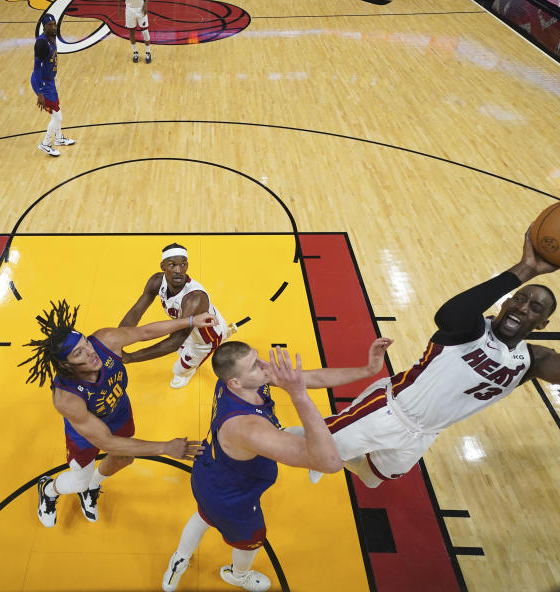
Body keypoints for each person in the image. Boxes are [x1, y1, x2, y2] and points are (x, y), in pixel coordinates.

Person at [304, 231, 560, 488]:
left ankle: (344, 453)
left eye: (534, 309)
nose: (521, 307)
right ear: (506, 301)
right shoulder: (470, 327)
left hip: (424, 434)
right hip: (388, 410)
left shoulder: (530, 358)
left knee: (372, 479)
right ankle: (257, 441)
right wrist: (525, 269)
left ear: (541, 324)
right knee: (309, 452)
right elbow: (447, 315)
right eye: (519, 299)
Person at [161, 339, 392, 592]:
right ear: (235, 382)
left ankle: (179, 559)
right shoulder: (247, 428)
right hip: (231, 497)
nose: (264, 365)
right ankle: (237, 576)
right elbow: (329, 462)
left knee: (203, 515)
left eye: (258, 358)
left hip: (208, 472)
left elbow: (312, 377)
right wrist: (298, 395)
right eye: (254, 366)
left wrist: (368, 370)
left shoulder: (239, 382)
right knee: (251, 540)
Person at [20, 300, 215, 528]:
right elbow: (108, 442)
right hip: (86, 436)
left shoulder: (104, 341)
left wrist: (191, 320)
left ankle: (94, 485)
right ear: (65, 365)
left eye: (86, 343)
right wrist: (165, 448)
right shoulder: (67, 398)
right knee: (79, 481)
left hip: (119, 412)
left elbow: (144, 332)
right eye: (79, 353)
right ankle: (48, 489)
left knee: (124, 459)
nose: (90, 352)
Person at [118, 243, 235, 389]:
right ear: (163, 266)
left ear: (187, 266)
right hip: (193, 325)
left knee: (181, 368)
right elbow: (136, 311)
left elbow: (174, 342)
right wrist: (118, 338)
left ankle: (187, 372)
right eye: (172, 265)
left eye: (183, 265)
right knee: (183, 334)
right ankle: (225, 332)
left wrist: (130, 357)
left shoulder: (194, 298)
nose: (178, 270)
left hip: (205, 338)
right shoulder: (156, 281)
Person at [31, 14, 75, 158]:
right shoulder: (41, 44)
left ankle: (59, 138)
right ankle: (45, 144)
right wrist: (40, 92)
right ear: (44, 27)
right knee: (57, 117)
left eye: (55, 24)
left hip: (49, 81)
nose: (54, 27)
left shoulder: (53, 36)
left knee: (57, 109)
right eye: (50, 25)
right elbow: (37, 69)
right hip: (42, 84)